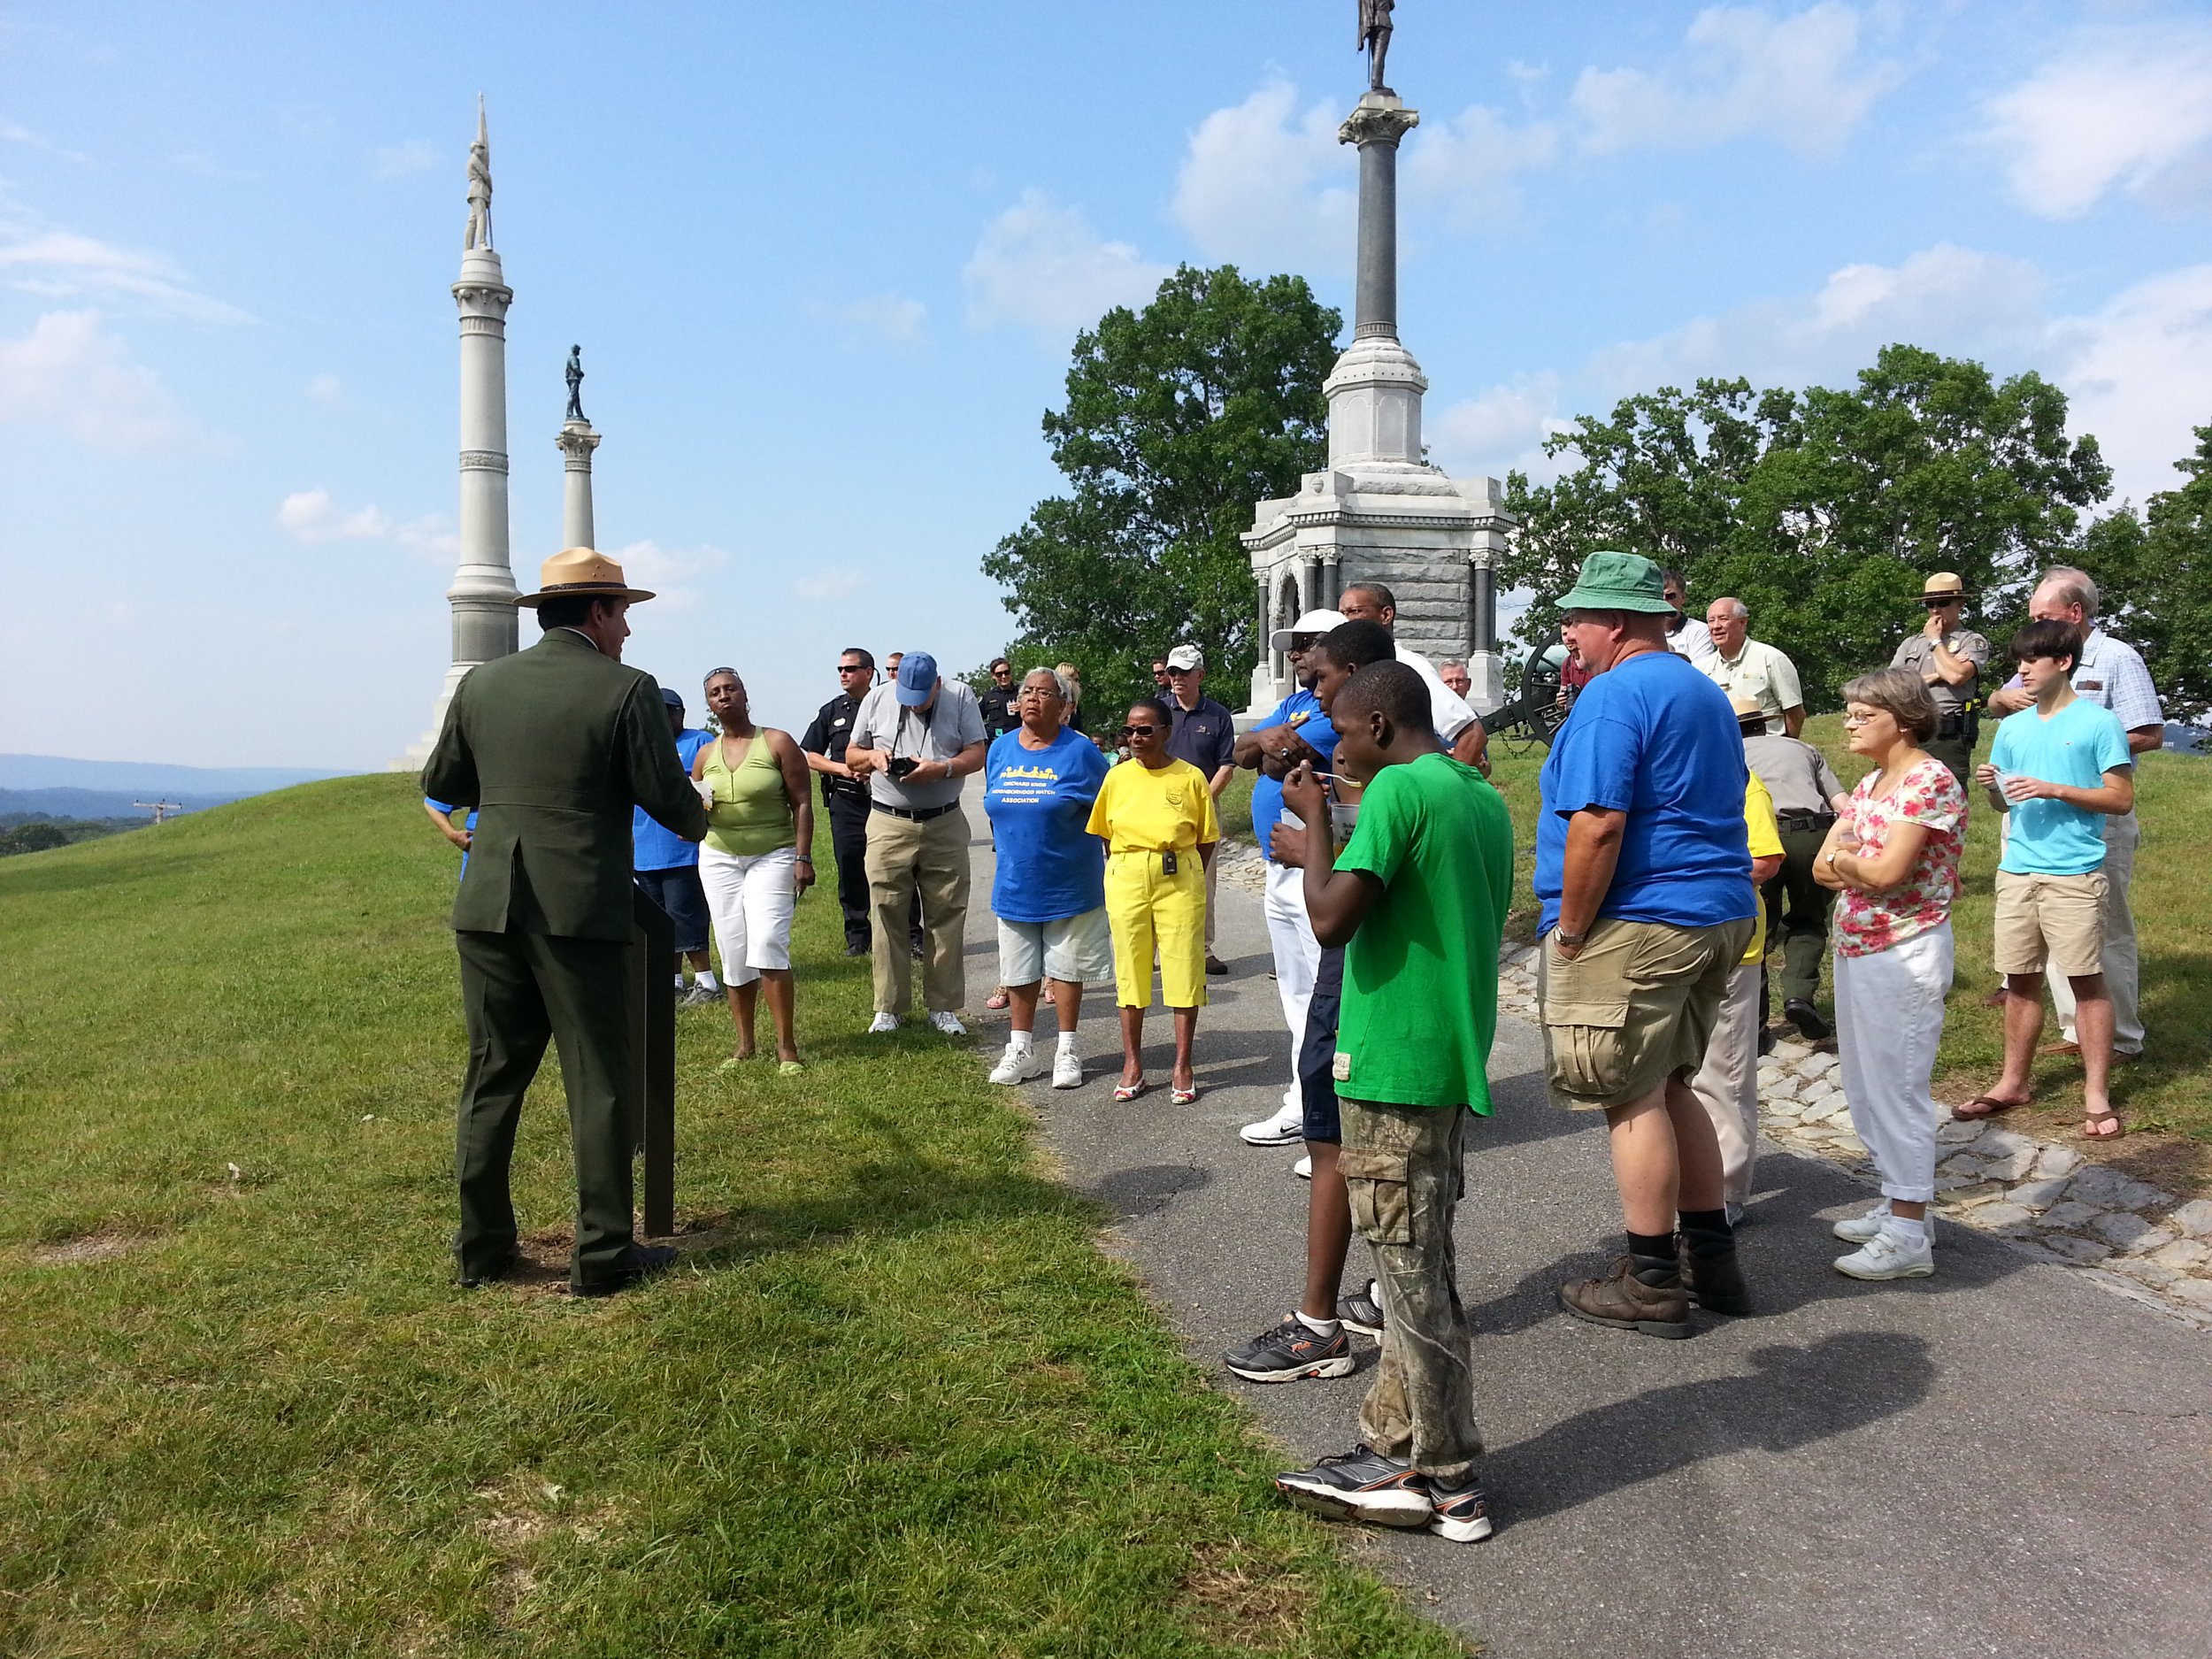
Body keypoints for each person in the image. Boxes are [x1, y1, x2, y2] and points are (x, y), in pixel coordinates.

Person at [1269, 660, 1513, 1546]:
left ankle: (1447, 1481)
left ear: (1377, 724)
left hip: (1394, 1063)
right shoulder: (1474, 792)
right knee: (1417, 1262)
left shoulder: (1402, 792)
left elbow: (1331, 916)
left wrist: (1310, 833)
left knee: (1412, 1282)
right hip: (1443, 1055)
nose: (1332, 745)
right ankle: (1391, 1444)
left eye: (1339, 729)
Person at [421, 545, 706, 1297]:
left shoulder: (483, 684)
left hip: (487, 904)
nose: (628, 632)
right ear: (596, 612)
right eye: (622, 614)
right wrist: (705, 809)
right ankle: (603, 1253)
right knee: (599, 1080)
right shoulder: (627, 690)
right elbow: (670, 800)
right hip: (577, 905)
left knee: (492, 1075)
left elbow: (444, 782)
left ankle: (481, 1247)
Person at [1535, 552, 1758, 1339]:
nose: (1567, 631)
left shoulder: (1613, 695)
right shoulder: (1704, 691)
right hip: (1717, 910)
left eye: (1576, 617)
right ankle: (1713, 1261)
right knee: (1672, 1085)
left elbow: (1598, 822)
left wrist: (1569, 929)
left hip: (1641, 915)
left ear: (1617, 623)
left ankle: (1652, 1279)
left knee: (1629, 1093)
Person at [1812, 667, 1968, 1279]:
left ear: (1901, 719)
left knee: (1898, 1087)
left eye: (1862, 713)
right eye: (1849, 712)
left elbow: (1887, 875)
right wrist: (1853, 858)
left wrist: (1849, 856)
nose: (1849, 722)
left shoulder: (1929, 780)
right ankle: (1902, 1204)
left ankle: (1908, 1234)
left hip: (1905, 947)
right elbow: (1825, 867)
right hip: (1859, 944)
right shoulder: (1876, 780)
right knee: (1865, 1083)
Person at [1963, 620, 2135, 1139]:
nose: (2021, 670)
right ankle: (2012, 1083)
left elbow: (2121, 799)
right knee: (2019, 980)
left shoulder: (2099, 723)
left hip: (2077, 872)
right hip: (2017, 869)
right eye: (2019, 661)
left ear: (2062, 663)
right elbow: (2003, 803)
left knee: (2085, 980)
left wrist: (2053, 788)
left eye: (2031, 662)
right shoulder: (2012, 728)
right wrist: (1993, 787)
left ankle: (2096, 1095)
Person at [1985, 567, 2162, 1056]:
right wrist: (2002, 698)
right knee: (2049, 931)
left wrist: (2074, 750)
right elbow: (2005, 701)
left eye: (2044, 615)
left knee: (2102, 929)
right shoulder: (2038, 658)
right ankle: (2072, 1030)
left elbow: (2149, 732)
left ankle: (2121, 1037)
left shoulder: (2117, 658)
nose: (2035, 622)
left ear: (2075, 612)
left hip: (2094, 819)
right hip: (2030, 816)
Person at [1231, 608, 1345, 1148]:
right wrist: (1265, 737)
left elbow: (1278, 764)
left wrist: (1267, 743)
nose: (1295, 653)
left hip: (1315, 864)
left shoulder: (1335, 705)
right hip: (1278, 866)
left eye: (1306, 643)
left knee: (1329, 998)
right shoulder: (1296, 703)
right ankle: (1304, 1101)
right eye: (1292, 644)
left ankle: (1338, 1118)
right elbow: (1242, 750)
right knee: (1298, 996)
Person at [981, 668, 1110, 1089]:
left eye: (1044, 692)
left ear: (1064, 706)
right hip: (1016, 882)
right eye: (1027, 691)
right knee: (1019, 970)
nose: (1033, 698)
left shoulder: (1081, 753)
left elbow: (1107, 812)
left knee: (1067, 969)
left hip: (1069, 882)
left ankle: (1066, 1050)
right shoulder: (999, 750)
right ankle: (1021, 1050)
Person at [846, 650, 987, 1034]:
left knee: (946, 913)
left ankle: (943, 1007)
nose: (913, 704)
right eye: (906, 695)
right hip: (888, 821)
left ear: (937, 684)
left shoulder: (961, 696)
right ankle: (889, 1006)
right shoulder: (877, 698)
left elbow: (977, 753)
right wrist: (873, 757)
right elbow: (851, 754)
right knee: (886, 911)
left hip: (944, 818)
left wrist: (941, 768)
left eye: (921, 697)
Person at [1087, 695, 1218, 1102]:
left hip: (1178, 875)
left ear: (1166, 731)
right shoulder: (1117, 777)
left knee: (1183, 967)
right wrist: (1131, 865)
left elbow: (1206, 838)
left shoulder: (1190, 777)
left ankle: (1182, 1064)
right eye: (1129, 730)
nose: (1136, 737)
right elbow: (1105, 832)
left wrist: (1181, 865)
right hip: (1128, 873)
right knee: (1131, 969)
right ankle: (1133, 1063)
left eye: (1145, 730)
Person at [692, 668, 813, 1074]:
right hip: (719, 857)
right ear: (709, 704)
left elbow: (802, 802)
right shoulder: (705, 754)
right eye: (714, 693)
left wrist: (802, 857)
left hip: (773, 854)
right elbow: (695, 804)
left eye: (730, 689)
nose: (723, 696)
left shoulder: (776, 742)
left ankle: (787, 1048)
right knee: (732, 949)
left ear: (745, 694)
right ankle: (744, 1044)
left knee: (767, 942)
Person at [1684, 747, 1785, 1225]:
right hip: (1682, 937)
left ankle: (1726, 1190)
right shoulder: (1683, 780)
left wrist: (1694, 876)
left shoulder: (1745, 785)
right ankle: (1696, 1178)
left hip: (1732, 944)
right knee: (1685, 1073)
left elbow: (1765, 859)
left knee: (1725, 1072)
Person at [1738, 695, 1847, 1041]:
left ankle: (1754, 1025)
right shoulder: (1802, 749)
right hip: (1811, 834)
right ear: (1764, 723)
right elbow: (1843, 804)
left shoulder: (1726, 754)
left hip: (1759, 838)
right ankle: (1799, 996)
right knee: (1808, 919)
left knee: (1758, 928)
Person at [1335, 581, 1490, 777]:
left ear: (1386, 615)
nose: (1345, 620)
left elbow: (1472, 733)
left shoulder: (1408, 666)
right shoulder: (1340, 669)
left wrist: (1446, 791)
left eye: (1354, 611)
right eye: (1342, 614)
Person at [633, 687, 719, 1006]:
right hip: (644, 849)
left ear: (681, 712)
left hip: (681, 850)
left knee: (686, 916)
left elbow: (711, 790)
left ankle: (707, 983)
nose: (664, 717)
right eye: (657, 710)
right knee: (658, 921)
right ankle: (673, 982)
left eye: (670, 710)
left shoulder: (700, 742)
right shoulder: (642, 745)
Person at [799, 648, 882, 957]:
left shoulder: (887, 706)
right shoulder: (832, 710)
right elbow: (811, 755)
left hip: (886, 799)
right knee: (849, 865)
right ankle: (858, 936)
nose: (843, 674)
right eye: (840, 669)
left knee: (897, 867)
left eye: (850, 668)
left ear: (869, 673)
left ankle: (910, 935)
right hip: (846, 800)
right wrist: (844, 769)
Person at [1161, 644, 1238, 976]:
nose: (1176, 678)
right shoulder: (1159, 711)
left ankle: (1203, 949)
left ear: (1200, 675)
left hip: (1204, 807)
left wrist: (1201, 802)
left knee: (1203, 879)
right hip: (1161, 807)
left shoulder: (1217, 715)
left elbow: (1227, 765)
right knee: (1160, 877)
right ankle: (1157, 947)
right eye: (1172, 672)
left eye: (1183, 672)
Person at [1890, 572, 1989, 787]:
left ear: (1960, 604)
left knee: (1945, 800)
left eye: (1943, 603)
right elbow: (1892, 688)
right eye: (1929, 603)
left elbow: (1956, 676)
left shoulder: (1972, 641)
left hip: (1946, 735)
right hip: (1907, 732)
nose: (1935, 609)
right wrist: (1937, 674)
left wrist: (1935, 641)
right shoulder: (1911, 643)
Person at [1701, 597, 1805, 737]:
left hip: (1768, 750)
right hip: (1725, 753)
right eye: (1711, 620)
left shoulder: (1772, 659)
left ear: (1742, 623)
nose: (1716, 626)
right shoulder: (1702, 668)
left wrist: (1787, 748)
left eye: (1723, 619)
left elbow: (1795, 713)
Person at [1661, 568, 1716, 664]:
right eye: (1658, 596)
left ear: (1683, 598)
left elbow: (1700, 671)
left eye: (1670, 596)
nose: (1664, 601)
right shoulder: (1641, 632)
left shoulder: (1699, 631)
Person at [978, 657, 1020, 740]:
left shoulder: (1022, 693)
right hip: (997, 740)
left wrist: (1024, 707)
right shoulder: (989, 696)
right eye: (999, 674)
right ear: (993, 676)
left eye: (1006, 672)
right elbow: (976, 719)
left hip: (1018, 740)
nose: (1003, 676)